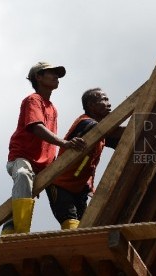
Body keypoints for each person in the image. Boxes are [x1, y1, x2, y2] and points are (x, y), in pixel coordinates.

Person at [2, 61, 86, 236]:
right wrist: (64, 143)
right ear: (38, 77)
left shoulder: (52, 108)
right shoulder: (33, 100)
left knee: (60, 190)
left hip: (45, 166)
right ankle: (19, 232)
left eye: (57, 73)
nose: (56, 76)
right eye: (51, 73)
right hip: (23, 158)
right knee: (24, 175)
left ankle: (72, 228)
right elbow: (36, 128)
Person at [45, 88, 124, 230]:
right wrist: (144, 117)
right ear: (91, 105)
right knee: (71, 223)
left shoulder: (101, 134)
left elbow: (123, 139)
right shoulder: (85, 123)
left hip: (79, 188)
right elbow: (114, 131)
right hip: (60, 184)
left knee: (85, 227)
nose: (109, 104)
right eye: (104, 100)